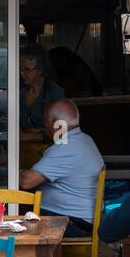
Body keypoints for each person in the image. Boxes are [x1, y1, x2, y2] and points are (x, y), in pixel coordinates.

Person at [19, 98, 104, 241]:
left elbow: (27, 182)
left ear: (56, 124)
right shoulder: (84, 139)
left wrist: (9, 167)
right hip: (82, 218)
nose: (43, 127)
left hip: (73, 223)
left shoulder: (66, 147)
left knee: (17, 221)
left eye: (45, 122)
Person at [19, 44, 65, 131]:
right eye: (20, 68)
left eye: (27, 69)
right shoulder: (19, 91)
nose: (22, 73)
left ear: (40, 70)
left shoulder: (54, 93)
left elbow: (60, 131)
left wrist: (26, 137)